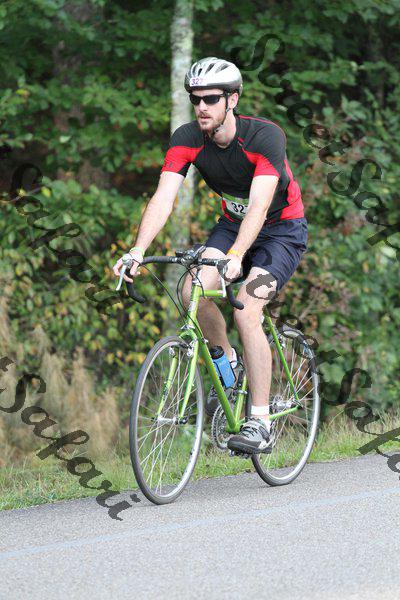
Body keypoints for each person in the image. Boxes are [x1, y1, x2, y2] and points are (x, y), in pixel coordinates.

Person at [113, 56, 308, 455]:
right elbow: (163, 197)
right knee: (193, 290)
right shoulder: (186, 137)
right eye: (195, 99)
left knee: (247, 308)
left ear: (232, 100)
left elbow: (259, 206)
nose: (201, 107)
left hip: (280, 231)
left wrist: (236, 255)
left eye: (211, 99)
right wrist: (138, 250)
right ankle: (229, 366)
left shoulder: (264, 137)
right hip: (232, 225)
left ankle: (259, 421)